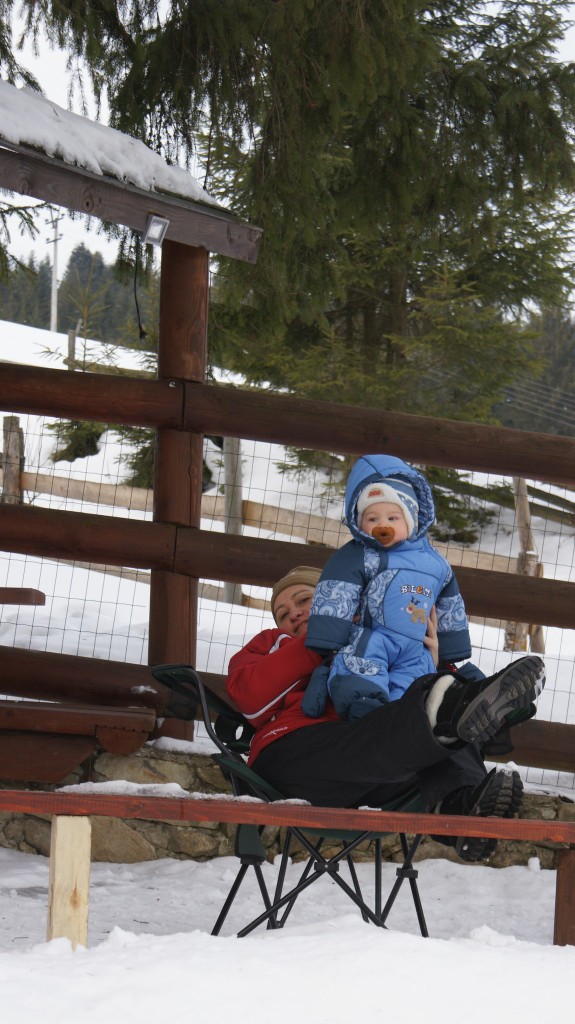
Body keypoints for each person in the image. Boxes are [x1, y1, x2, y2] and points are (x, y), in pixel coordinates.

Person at [226, 565, 546, 862]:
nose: (293, 613)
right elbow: (250, 697)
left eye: (304, 600)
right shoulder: (272, 643)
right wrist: (322, 637)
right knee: (441, 718)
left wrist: (430, 661)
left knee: (447, 710)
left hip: (380, 777)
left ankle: (464, 810)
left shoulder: (379, 633)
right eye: (283, 614)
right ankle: (448, 713)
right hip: (297, 762)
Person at [303, 454, 472, 721]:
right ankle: (365, 705)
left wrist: (452, 646)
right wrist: (329, 637)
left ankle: (417, 717)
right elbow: (337, 589)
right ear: (359, 525)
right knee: (359, 666)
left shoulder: (437, 564)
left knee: (416, 687)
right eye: (371, 519)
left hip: (417, 647)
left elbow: (450, 604)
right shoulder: (361, 555)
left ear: (412, 519)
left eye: (393, 518)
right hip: (373, 636)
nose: (382, 525)